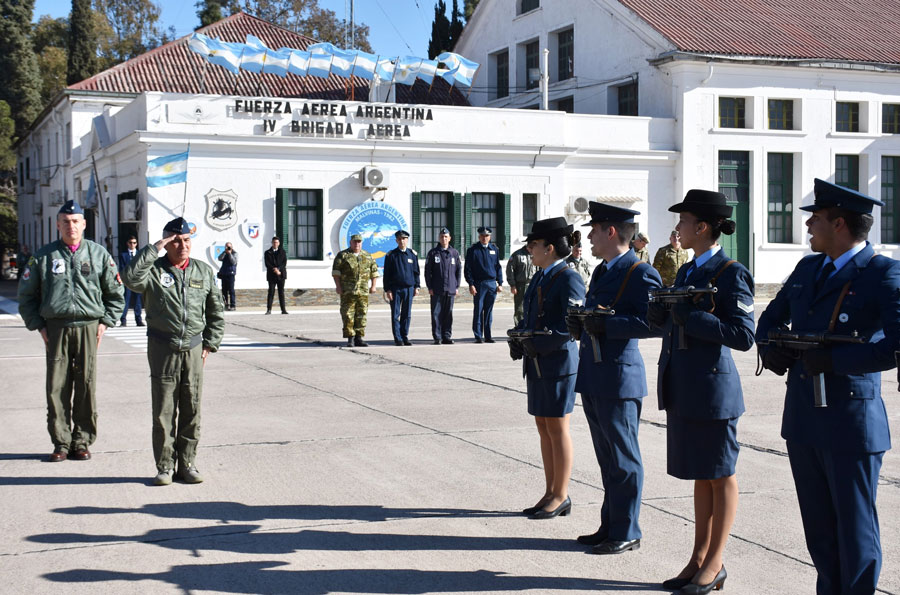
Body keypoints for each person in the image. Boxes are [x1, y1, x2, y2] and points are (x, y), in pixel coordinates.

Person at [756, 179, 900, 595]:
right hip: (804, 414)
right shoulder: (807, 268)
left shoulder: (881, 272)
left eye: (814, 220)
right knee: (818, 527)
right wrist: (772, 349)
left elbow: (894, 346)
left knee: (854, 528)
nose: (807, 228)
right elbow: (769, 318)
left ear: (839, 224)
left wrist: (834, 360)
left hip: (849, 419)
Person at [646, 189, 755, 594]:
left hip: (713, 389)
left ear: (702, 227)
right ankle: (697, 557)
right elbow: (674, 321)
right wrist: (660, 314)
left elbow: (744, 336)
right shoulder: (690, 271)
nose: (678, 228)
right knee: (702, 476)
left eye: (684, 221)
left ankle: (715, 562)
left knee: (721, 474)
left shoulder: (731, 272)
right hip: (686, 386)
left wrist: (689, 317)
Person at [565, 202, 662, 555]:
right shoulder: (603, 272)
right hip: (594, 373)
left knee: (623, 459)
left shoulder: (640, 272)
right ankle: (610, 525)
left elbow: (656, 323)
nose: (588, 236)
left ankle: (627, 530)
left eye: (594, 230)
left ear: (611, 232)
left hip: (620, 377)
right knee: (607, 458)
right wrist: (582, 322)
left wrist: (607, 324)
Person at [18, 200, 124, 462]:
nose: (71, 226)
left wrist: (105, 322)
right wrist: (39, 326)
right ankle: (61, 442)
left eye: (76, 221)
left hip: (88, 327)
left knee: (86, 385)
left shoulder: (99, 255)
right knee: (57, 387)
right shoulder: (43, 257)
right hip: (56, 329)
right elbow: (26, 296)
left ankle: (82, 440)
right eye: (65, 221)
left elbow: (116, 293)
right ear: (57, 225)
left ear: (84, 224)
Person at [122, 217, 225, 486]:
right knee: (164, 410)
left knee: (192, 408)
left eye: (187, 240)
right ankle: (165, 466)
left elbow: (216, 310)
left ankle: (188, 464)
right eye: (176, 241)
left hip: (193, 348)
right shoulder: (153, 271)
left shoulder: (202, 271)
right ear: (167, 243)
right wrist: (153, 249)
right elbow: (129, 278)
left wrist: (210, 343)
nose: (182, 246)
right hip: (162, 348)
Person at [509, 217, 585, 519]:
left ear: (550, 248)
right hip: (538, 361)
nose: (530, 249)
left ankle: (561, 494)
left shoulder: (568, 277)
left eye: (535, 244)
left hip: (557, 363)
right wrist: (521, 337)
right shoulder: (541, 276)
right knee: (543, 426)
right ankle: (550, 490)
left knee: (557, 427)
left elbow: (569, 325)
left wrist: (536, 343)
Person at [333, 233, 378, 347]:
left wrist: (373, 286)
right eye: (355, 242)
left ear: (361, 243)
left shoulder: (367, 256)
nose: (357, 244)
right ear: (351, 242)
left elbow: (374, 272)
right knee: (348, 314)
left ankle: (359, 337)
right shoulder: (343, 255)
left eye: (359, 242)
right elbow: (336, 273)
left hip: (363, 291)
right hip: (348, 291)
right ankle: (350, 338)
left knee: (362, 314)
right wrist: (338, 286)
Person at [464, 226, 503, 343]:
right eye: (482, 236)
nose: (484, 238)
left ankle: (488, 335)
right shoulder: (473, 250)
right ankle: (478, 335)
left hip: (491, 283)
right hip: (479, 284)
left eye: (486, 236)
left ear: (490, 237)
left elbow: (498, 267)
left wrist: (500, 283)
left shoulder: (494, 249)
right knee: (478, 310)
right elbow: (468, 269)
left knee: (489, 310)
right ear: (479, 236)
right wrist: (471, 284)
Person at [383, 230, 421, 346]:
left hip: (409, 288)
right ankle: (398, 338)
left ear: (407, 240)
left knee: (407, 314)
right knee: (395, 314)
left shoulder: (412, 254)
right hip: (395, 289)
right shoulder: (391, 255)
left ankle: (405, 336)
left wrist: (417, 286)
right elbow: (387, 274)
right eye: (399, 239)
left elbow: (416, 272)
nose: (402, 241)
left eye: (404, 239)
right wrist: (387, 289)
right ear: (396, 241)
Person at [424, 227, 461, 344]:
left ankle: (447, 336)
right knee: (436, 314)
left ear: (449, 238)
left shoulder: (454, 253)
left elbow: (458, 271)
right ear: (439, 238)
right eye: (441, 237)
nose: (444, 239)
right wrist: (429, 287)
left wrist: (456, 286)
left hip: (450, 289)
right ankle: (437, 337)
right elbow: (427, 272)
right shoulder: (433, 253)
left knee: (448, 314)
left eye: (446, 237)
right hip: (437, 289)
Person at [507, 243, 538, 325]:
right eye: (530, 247)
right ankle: (519, 327)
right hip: (520, 285)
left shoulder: (536, 254)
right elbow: (510, 270)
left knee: (532, 307)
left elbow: (539, 269)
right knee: (519, 308)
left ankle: (530, 326)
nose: (531, 249)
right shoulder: (517, 255)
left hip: (532, 284)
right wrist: (512, 285)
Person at [119, 235, 144, 326]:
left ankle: (139, 320)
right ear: (127, 243)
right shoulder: (123, 255)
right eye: (130, 243)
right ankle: (123, 320)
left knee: (138, 301)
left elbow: (142, 267)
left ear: (136, 244)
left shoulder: (139, 254)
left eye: (134, 243)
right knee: (126, 300)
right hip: (127, 281)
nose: (132, 245)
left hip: (137, 281)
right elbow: (122, 268)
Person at [264, 236, 288, 315]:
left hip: (281, 275)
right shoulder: (267, 252)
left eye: (277, 242)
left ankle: (283, 309)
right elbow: (267, 264)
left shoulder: (282, 252)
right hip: (272, 275)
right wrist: (275, 269)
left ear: (279, 243)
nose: (275, 244)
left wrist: (279, 269)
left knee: (281, 292)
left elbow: (284, 263)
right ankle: (269, 309)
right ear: (272, 243)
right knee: (271, 292)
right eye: (274, 242)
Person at [217, 242, 238, 311]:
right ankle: (225, 304)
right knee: (224, 290)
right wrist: (224, 252)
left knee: (231, 290)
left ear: (232, 247)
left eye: (229, 247)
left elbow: (233, 262)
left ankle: (233, 305)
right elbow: (219, 258)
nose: (228, 248)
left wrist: (229, 254)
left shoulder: (235, 253)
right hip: (224, 274)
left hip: (231, 274)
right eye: (226, 247)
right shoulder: (224, 253)